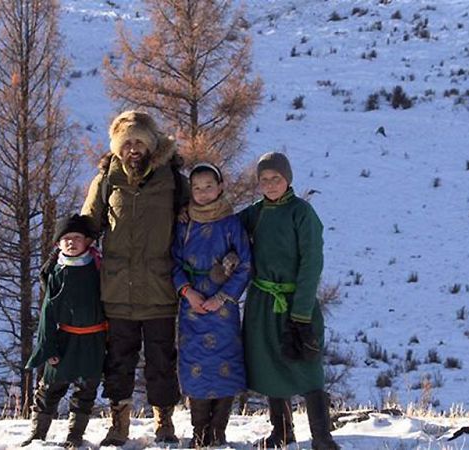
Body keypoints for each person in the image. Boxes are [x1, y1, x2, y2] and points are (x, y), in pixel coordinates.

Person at [80, 110, 188, 446]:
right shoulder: (106, 178)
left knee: (161, 360)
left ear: (152, 143)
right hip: (118, 290)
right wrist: (66, 248)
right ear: (117, 147)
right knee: (118, 361)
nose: (133, 149)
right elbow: (88, 225)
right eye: (126, 143)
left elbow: (191, 223)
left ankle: (164, 422)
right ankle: (119, 425)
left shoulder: (173, 178)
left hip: (159, 288)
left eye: (139, 141)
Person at [239, 152, 340, 450]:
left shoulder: (302, 213)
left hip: (297, 302)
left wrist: (301, 313)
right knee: (269, 364)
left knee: (306, 366)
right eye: (264, 180)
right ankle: (282, 432)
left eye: (276, 179)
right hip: (262, 303)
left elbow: (312, 263)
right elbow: (225, 229)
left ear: (288, 180)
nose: (270, 185)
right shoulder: (254, 214)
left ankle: (322, 437)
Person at [172, 162, 252, 447]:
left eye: (209, 186)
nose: (203, 193)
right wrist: (187, 292)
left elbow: (244, 265)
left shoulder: (231, 224)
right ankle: (199, 431)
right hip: (192, 306)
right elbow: (174, 262)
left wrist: (221, 297)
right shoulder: (184, 224)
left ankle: (218, 430)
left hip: (223, 308)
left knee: (225, 364)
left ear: (220, 187)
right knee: (195, 364)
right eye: (197, 188)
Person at [22, 214, 106, 448]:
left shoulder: (99, 267)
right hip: (65, 339)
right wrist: (48, 347)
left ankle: (75, 436)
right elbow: (48, 314)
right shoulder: (56, 272)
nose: (71, 242)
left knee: (86, 390)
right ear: (58, 243)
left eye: (77, 237)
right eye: (65, 238)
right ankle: (38, 435)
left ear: (87, 241)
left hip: (94, 339)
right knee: (49, 387)